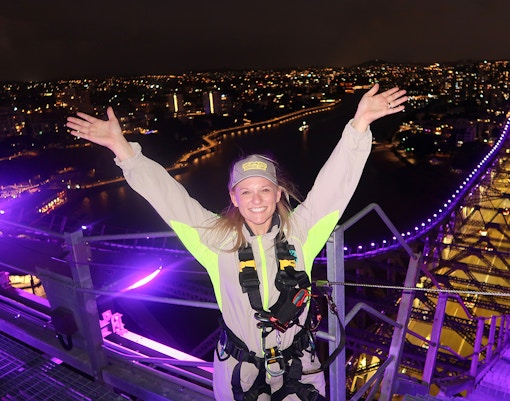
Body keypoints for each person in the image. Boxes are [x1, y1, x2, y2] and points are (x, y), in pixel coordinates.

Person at [67, 83, 407, 401]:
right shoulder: (215, 238)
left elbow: (335, 186)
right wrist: (121, 148)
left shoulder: (301, 232)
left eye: (264, 190)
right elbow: (167, 195)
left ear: (278, 194)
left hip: (300, 368)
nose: (256, 200)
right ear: (234, 196)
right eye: (246, 191)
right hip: (239, 371)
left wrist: (359, 125)